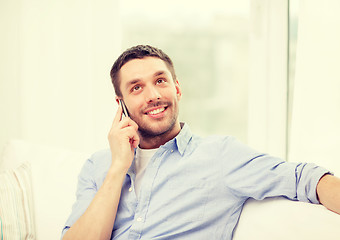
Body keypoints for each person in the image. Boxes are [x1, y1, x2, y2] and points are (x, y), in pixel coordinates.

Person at [61, 45, 340, 240]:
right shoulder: (98, 166)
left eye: (161, 81)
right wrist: (118, 168)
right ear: (120, 105)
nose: (153, 95)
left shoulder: (219, 155)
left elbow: (303, 178)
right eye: (137, 88)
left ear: (177, 88)